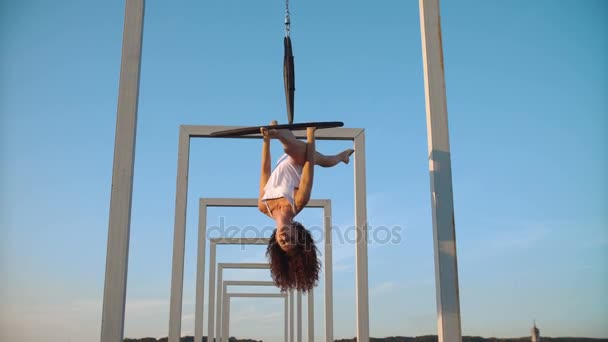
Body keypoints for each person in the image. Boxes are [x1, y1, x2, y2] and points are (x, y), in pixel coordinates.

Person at [259, 121, 353, 292]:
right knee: (311, 157)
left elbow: (265, 172)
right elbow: (309, 165)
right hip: (302, 158)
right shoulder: (299, 201)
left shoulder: (263, 207)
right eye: (292, 240)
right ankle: (279, 132)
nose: (285, 238)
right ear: (297, 233)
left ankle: (341, 157)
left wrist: (265, 141)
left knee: (323, 159)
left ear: (276, 243)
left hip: (287, 157)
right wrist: (311, 135)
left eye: (283, 243)